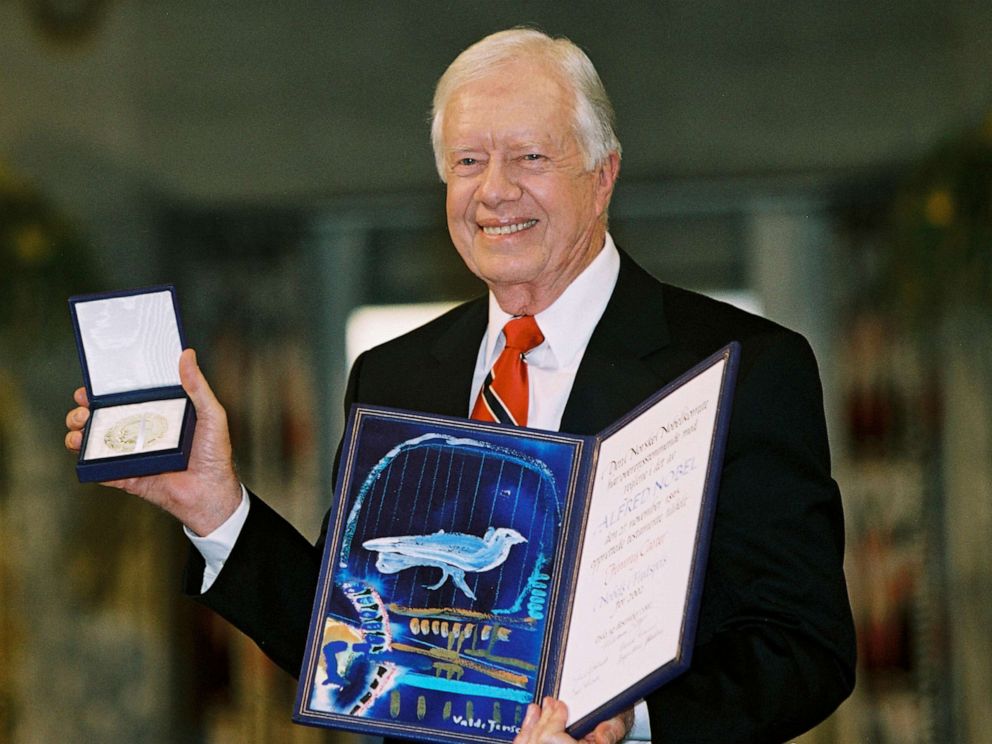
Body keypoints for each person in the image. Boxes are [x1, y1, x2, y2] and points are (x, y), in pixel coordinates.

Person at [65, 28, 855, 744]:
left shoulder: (741, 364)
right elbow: (356, 628)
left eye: (531, 157)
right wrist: (214, 505)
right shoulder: (397, 372)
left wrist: (632, 725)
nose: (495, 190)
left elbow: (802, 648)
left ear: (604, 174)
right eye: (469, 162)